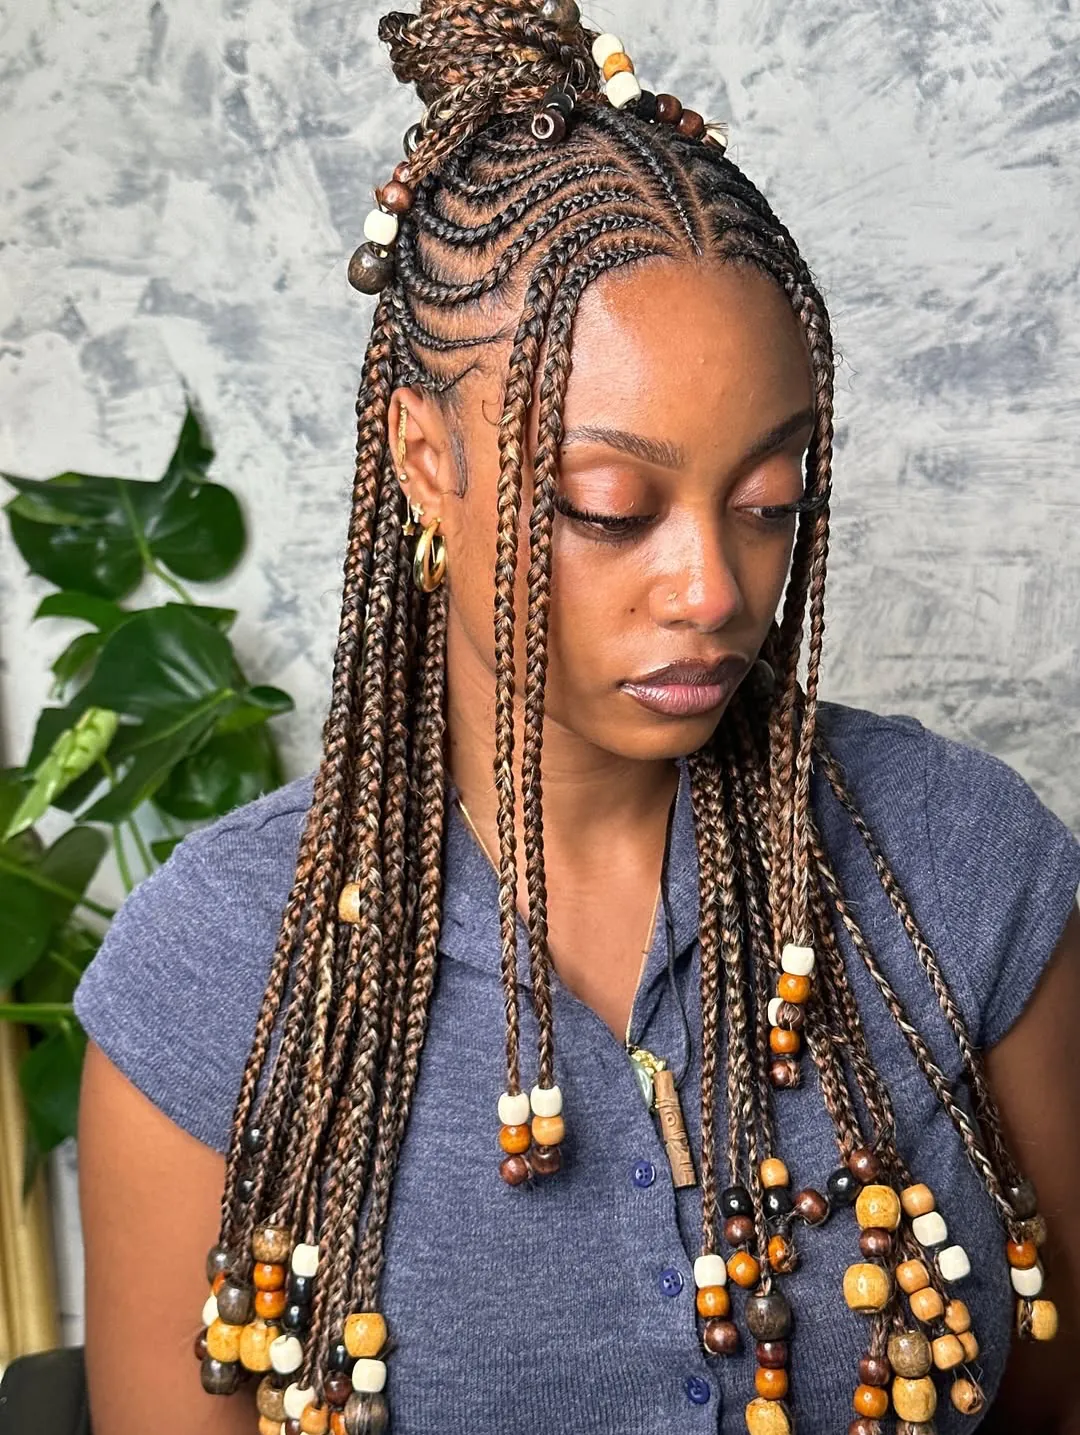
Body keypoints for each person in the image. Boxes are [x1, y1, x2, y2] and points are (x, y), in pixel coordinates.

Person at [72, 4, 1080, 1434]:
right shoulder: (221, 975)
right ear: (427, 463)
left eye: (771, 503)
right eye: (610, 506)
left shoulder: (966, 867)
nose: (715, 588)